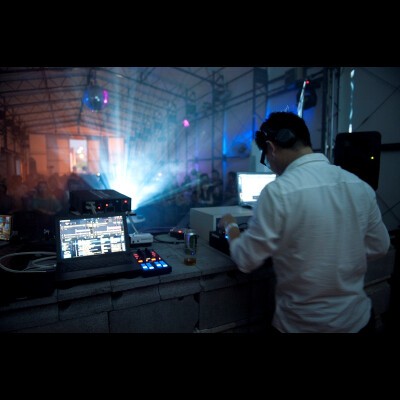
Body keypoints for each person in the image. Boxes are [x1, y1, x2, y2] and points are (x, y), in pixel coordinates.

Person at [218, 111, 391, 333]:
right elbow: (380, 246)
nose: (269, 163)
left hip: (303, 325)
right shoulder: (359, 186)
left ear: (271, 148)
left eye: (266, 157)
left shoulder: (278, 192)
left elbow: (246, 260)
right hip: (358, 321)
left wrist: (231, 226)